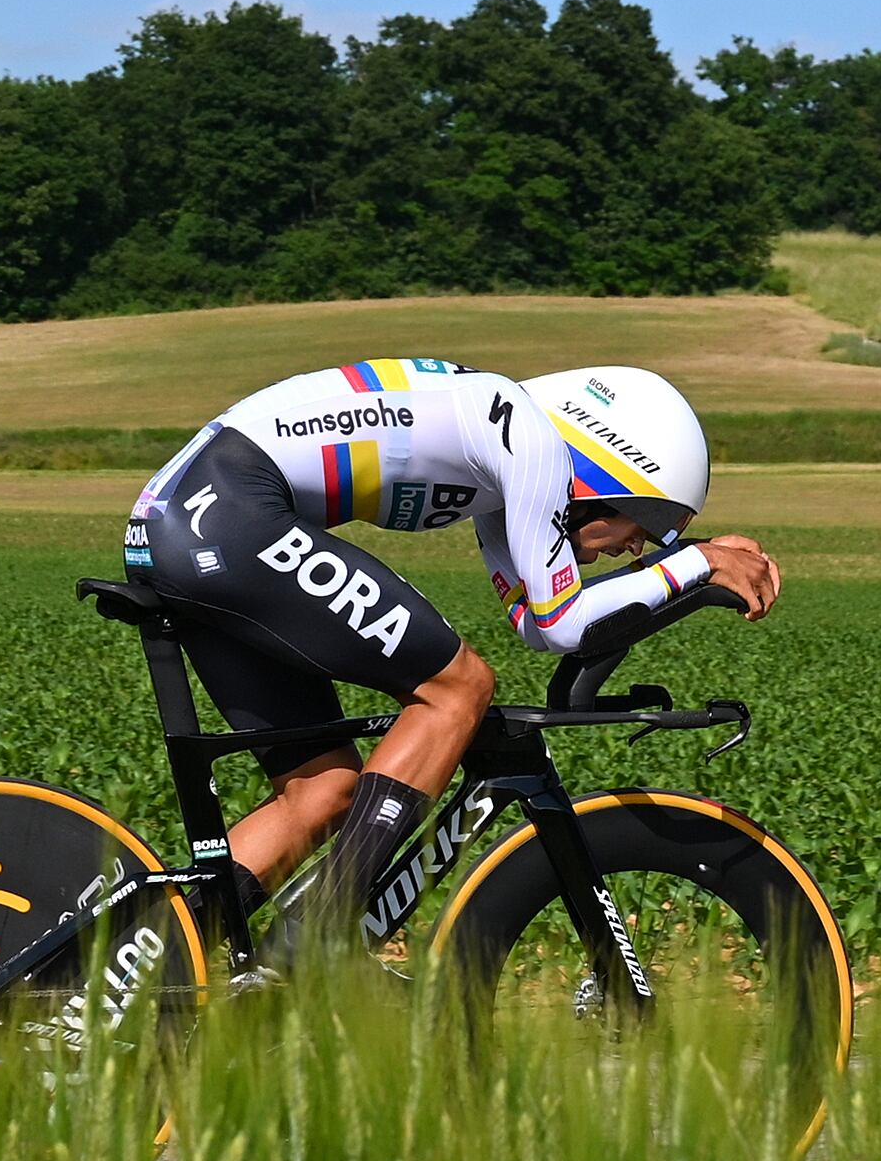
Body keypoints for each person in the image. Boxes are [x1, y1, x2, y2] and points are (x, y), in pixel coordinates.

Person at [124, 359, 784, 941]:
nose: (644, 544)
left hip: (192, 520)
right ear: (607, 470)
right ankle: (322, 930)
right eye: (655, 520)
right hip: (228, 515)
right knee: (457, 689)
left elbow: (534, 620)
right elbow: (560, 623)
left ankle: (140, 970)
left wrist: (679, 577)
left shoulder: (509, 459)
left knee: (321, 792)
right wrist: (696, 565)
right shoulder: (532, 444)